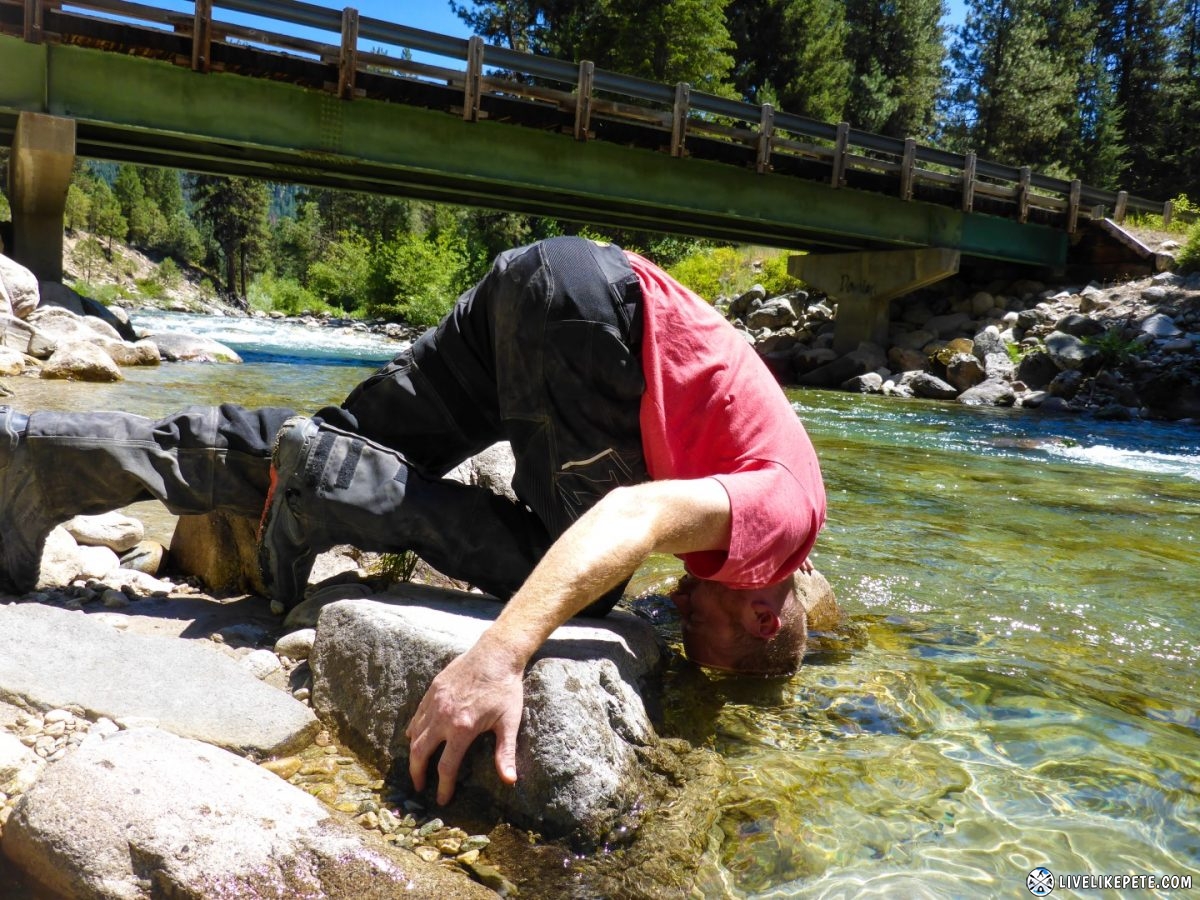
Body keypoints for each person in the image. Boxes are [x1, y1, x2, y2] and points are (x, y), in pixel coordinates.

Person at [0, 236, 825, 804]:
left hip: (545, 280)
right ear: (760, 613)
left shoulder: (753, 523)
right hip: (597, 326)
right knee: (585, 587)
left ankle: (38, 460)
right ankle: (339, 486)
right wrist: (499, 654)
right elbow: (630, 511)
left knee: (323, 445)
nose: (680, 616)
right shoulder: (786, 522)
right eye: (704, 638)